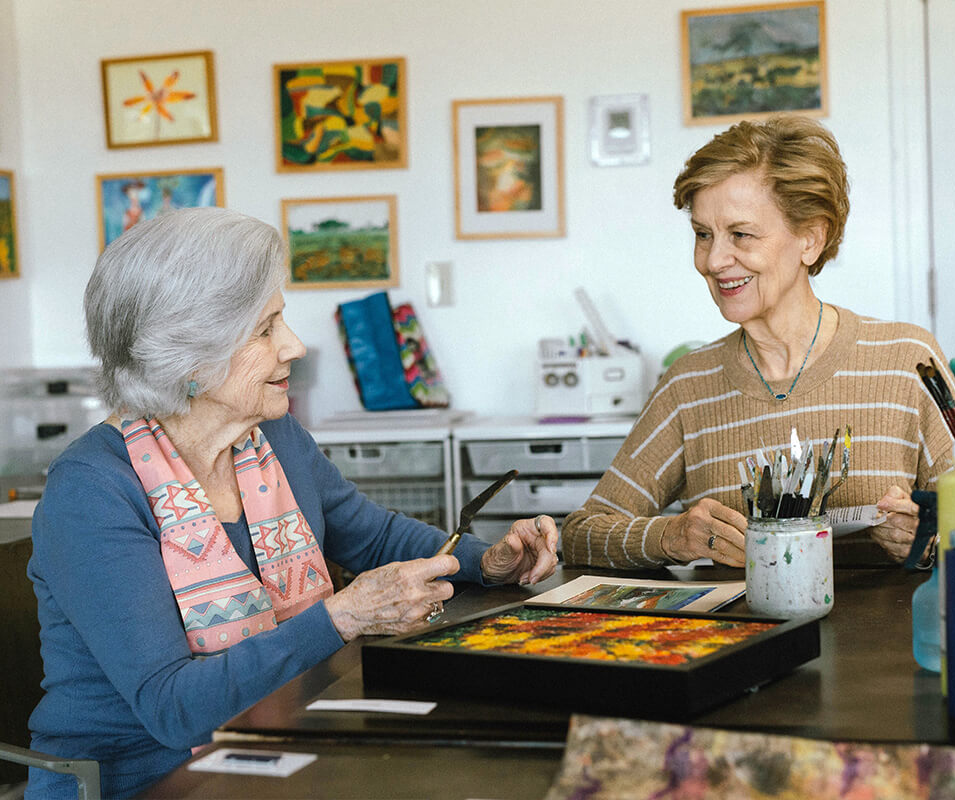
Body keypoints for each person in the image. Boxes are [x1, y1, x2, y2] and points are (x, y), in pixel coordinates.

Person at [26, 207, 559, 799]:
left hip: (287, 737)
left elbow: (374, 537)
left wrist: (486, 563)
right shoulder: (92, 489)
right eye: (265, 329)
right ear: (190, 358)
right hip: (140, 778)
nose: (296, 346)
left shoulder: (271, 438)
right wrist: (344, 617)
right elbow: (173, 709)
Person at [562, 114, 955, 570]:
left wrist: (929, 535)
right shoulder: (689, 386)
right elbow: (582, 533)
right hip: (743, 641)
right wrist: (672, 535)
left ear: (810, 239)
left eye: (741, 234)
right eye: (702, 234)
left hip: (882, 641)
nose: (713, 260)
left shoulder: (907, 361)